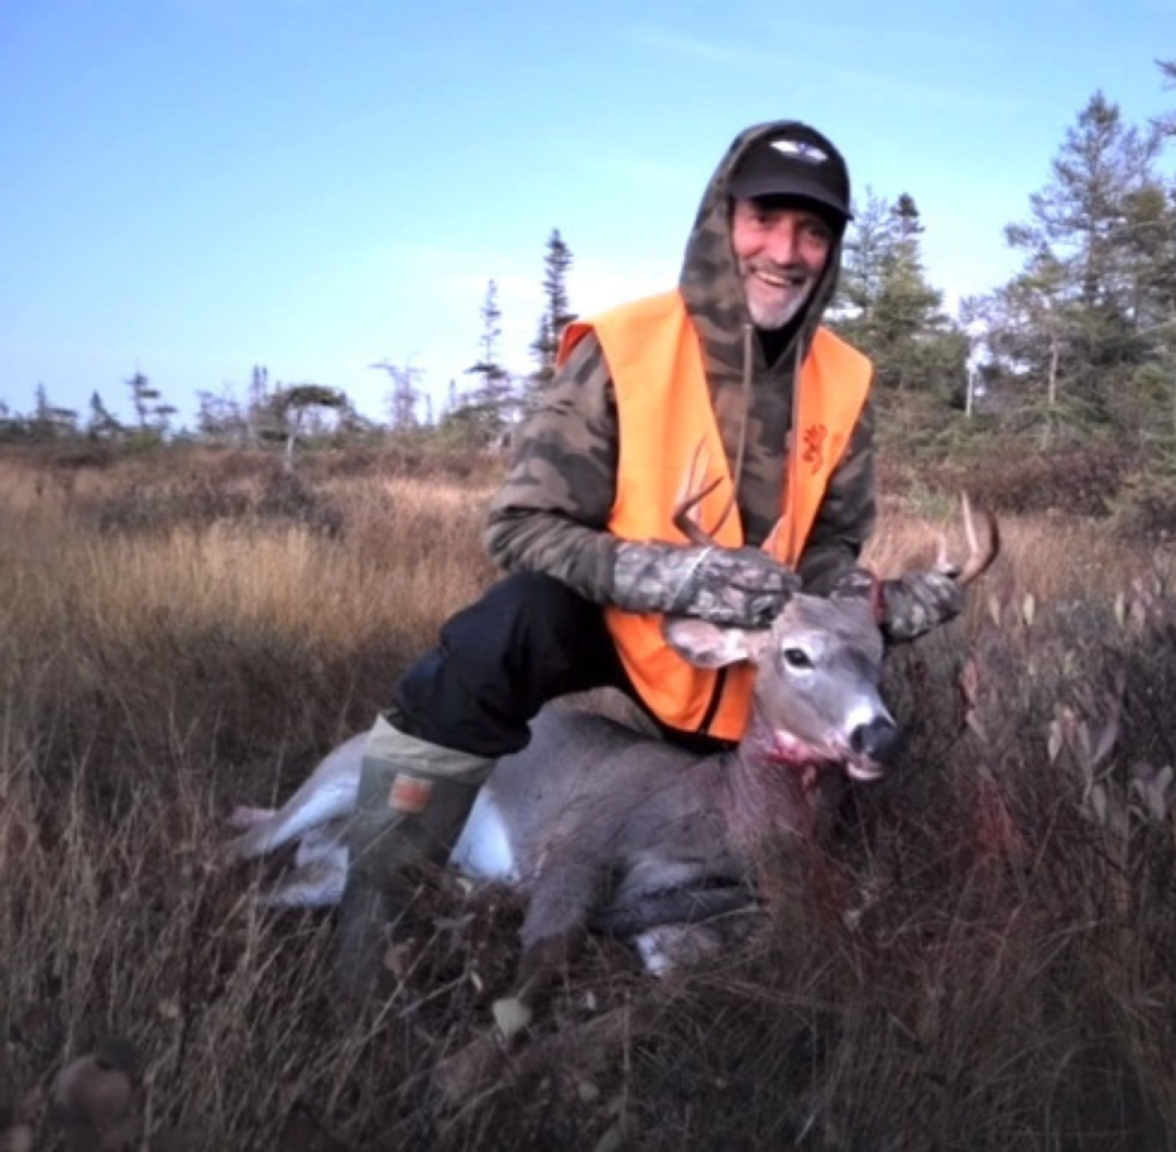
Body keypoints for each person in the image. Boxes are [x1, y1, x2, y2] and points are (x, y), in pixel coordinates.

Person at [334, 120, 972, 989]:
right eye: (767, 221)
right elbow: (520, 527)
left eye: (814, 231)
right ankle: (374, 911)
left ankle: (658, 943)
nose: (786, 251)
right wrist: (675, 575)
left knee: (762, 852)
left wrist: (874, 604)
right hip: (626, 625)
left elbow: (828, 549)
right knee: (500, 634)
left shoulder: (843, 378)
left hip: (748, 677)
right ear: (723, 218)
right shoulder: (627, 348)